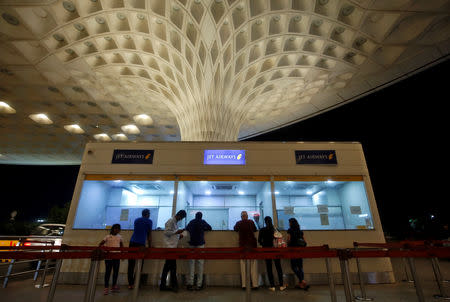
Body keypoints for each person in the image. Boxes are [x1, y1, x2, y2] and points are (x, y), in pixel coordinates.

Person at [160, 210, 187, 292]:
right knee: (172, 267)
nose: (181, 219)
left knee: (169, 267)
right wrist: (177, 232)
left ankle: (165, 285)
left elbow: (173, 234)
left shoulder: (175, 223)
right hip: (169, 248)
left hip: (172, 247)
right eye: (181, 218)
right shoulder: (171, 221)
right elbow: (166, 232)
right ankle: (172, 285)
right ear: (178, 215)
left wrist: (179, 235)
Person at [185, 212, 212, 290]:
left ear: (195, 216)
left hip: (192, 244)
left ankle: (190, 283)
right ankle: (199, 285)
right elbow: (210, 228)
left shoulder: (192, 222)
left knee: (191, 263)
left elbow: (186, 228)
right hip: (200, 244)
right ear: (201, 216)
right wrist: (204, 229)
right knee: (200, 263)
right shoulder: (203, 222)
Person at [258, 216, 286, 291]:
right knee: (278, 267)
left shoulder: (262, 230)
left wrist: (264, 244)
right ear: (271, 221)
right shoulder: (275, 229)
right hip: (275, 250)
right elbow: (280, 240)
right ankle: (281, 285)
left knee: (269, 268)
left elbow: (259, 241)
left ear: (265, 222)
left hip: (266, 251)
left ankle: (272, 286)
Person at [128, 209, 152, 290]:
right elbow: (149, 234)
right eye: (149, 213)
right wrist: (150, 245)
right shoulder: (149, 221)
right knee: (140, 264)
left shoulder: (136, 220)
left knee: (131, 264)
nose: (150, 215)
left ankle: (130, 284)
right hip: (141, 244)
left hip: (132, 242)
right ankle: (136, 282)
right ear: (147, 214)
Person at [234, 211, 258, 290]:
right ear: (247, 216)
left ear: (241, 217)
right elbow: (255, 230)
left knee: (243, 266)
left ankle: (244, 285)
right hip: (252, 246)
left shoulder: (239, 223)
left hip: (243, 247)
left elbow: (235, 229)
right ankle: (255, 285)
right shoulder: (251, 222)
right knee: (253, 266)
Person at [99, 224, 123, 295]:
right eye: (115, 228)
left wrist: (122, 255)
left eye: (118, 229)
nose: (117, 230)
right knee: (108, 272)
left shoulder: (120, 237)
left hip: (117, 257)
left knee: (115, 272)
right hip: (108, 257)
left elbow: (121, 246)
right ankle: (106, 288)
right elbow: (101, 244)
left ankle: (113, 286)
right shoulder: (107, 236)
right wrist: (104, 251)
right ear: (112, 229)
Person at [287, 218, 309, 290]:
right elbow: (305, 242)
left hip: (293, 250)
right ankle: (301, 284)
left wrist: (287, 243)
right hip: (300, 251)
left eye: (289, 222)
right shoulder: (300, 231)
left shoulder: (290, 230)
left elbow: (289, 240)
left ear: (291, 223)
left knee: (294, 267)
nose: (289, 224)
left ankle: (302, 280)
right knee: (300, 267)